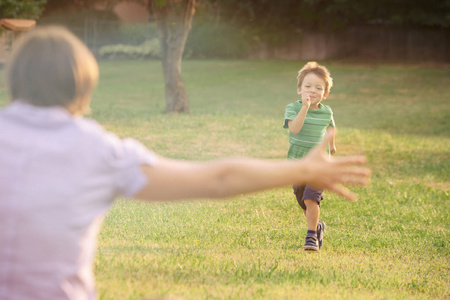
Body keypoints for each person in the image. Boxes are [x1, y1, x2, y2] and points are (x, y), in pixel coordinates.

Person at [0, 26, 370, 300]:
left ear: (15, 80)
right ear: (83, 88)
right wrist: (303, 170)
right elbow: (219, 179)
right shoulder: (98, 150)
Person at [283, 61, 337, 251]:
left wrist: (332, 145)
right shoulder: (292, 109)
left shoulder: (326, 112)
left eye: (318, 88)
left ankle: (311, 236)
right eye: (307, 86)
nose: (312, 91)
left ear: (325, 94)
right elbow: (295, 130)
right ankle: (317, 226)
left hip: (319, 165)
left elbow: (331, 127)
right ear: (299, 89)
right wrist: (304, 108)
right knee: (303, 200)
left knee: (310, 198)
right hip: (297, 165)